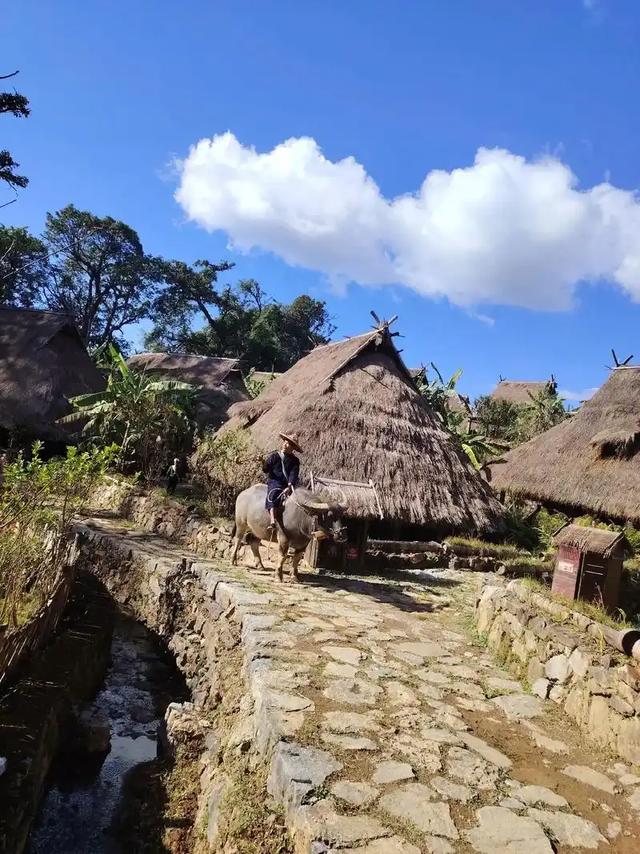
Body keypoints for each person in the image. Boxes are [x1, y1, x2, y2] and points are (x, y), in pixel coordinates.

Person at [263, 432, 302, 532]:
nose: (285, 444)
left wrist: (289, 485)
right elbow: (266, 469)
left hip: (288, 484)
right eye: (284, 442)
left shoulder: (295, 461)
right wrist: (263, 462)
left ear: (293, 448)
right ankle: (273, 521)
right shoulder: (274, 456)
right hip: (275, 482)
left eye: (288, 443)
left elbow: (294, 473)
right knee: (273, 494)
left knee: (298, 501)